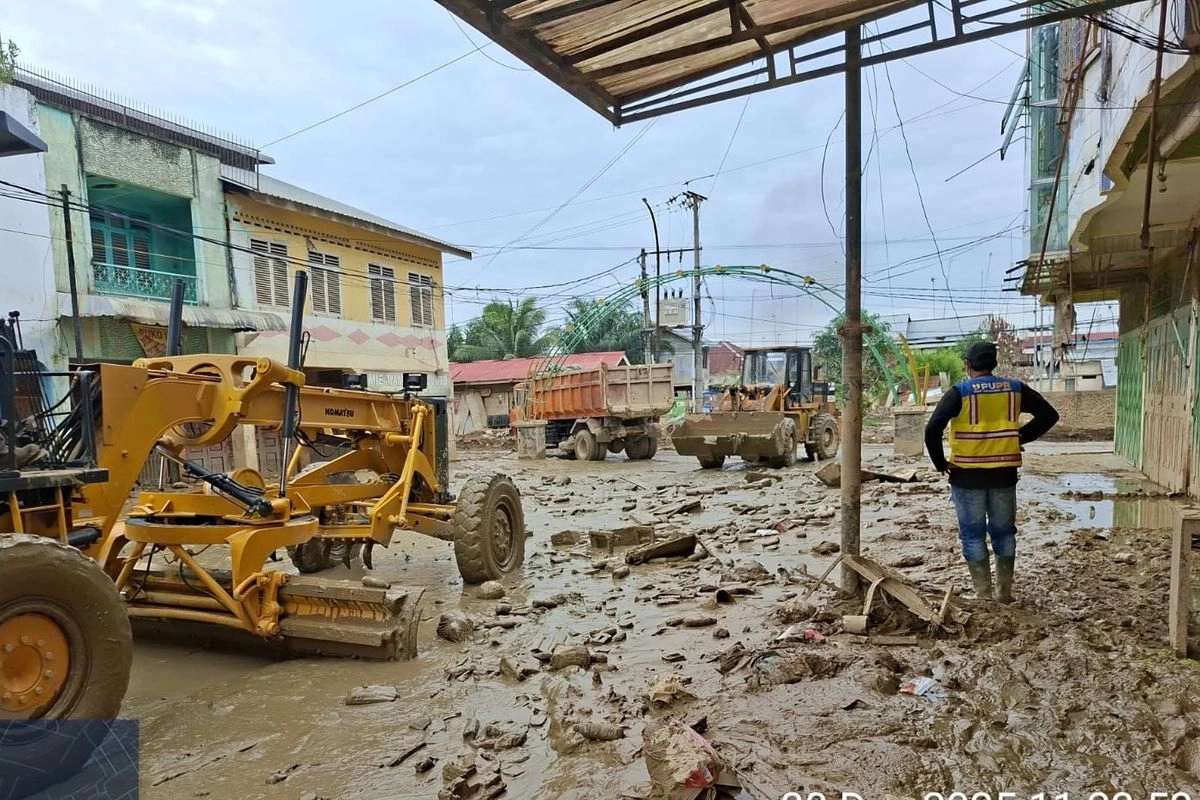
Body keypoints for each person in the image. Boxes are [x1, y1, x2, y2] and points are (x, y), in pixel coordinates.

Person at [924, 341, 1059, 603]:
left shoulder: (959, 392)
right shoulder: (1014, 389)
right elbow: (1049, 415)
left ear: (968, 365)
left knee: (973, 536)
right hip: (1004, 475)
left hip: (966, 477)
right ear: (994, 364)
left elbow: (932, 429)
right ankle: (1004, 595)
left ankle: (984, 597)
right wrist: (1019, 436)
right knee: (1004, 533)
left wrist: (940, 464)